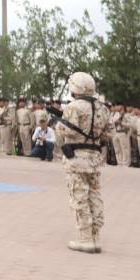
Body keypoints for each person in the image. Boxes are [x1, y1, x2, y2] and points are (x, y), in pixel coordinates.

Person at [56, 71, 110, 254]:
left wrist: (59, 123)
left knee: (79, 196)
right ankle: (95, 237)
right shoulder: (103, 108)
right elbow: (108, 134)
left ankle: (85, 238)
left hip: (76, 157)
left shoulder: (73, 107)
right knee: (94, 196)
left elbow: (64, 131)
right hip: (94, 158)